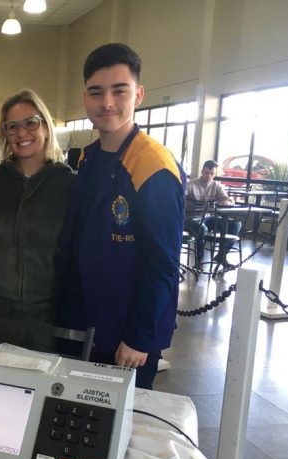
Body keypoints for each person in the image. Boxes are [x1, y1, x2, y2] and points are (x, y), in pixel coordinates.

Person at [56, 43, 186, 389]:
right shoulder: (88, 159)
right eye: (96, 92)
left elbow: (163, 263)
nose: (107, 102)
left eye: (119, 90)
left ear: (138, 94)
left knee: (119, 419)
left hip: (124, 337)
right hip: (83, 323)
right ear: (85, 98)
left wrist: (139, 336)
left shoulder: (153, 166)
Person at [0, 89, 75, 351]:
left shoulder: (70, 185)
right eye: (12, 127)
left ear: (46, 127)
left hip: (48, 312)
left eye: (30, 123)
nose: (22, 134)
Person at [184, 160, 240, 268]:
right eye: (206, 173)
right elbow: (180, 198)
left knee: (236, 225)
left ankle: (222, 255)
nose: (209, 176)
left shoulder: (216, 186)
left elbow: (228, 199)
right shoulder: (191, 185)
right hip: (190, 218)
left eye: (212, 174)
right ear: (202, 172)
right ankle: (199, 261)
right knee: (202, 228)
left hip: (208, 217)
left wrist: (227, 202)